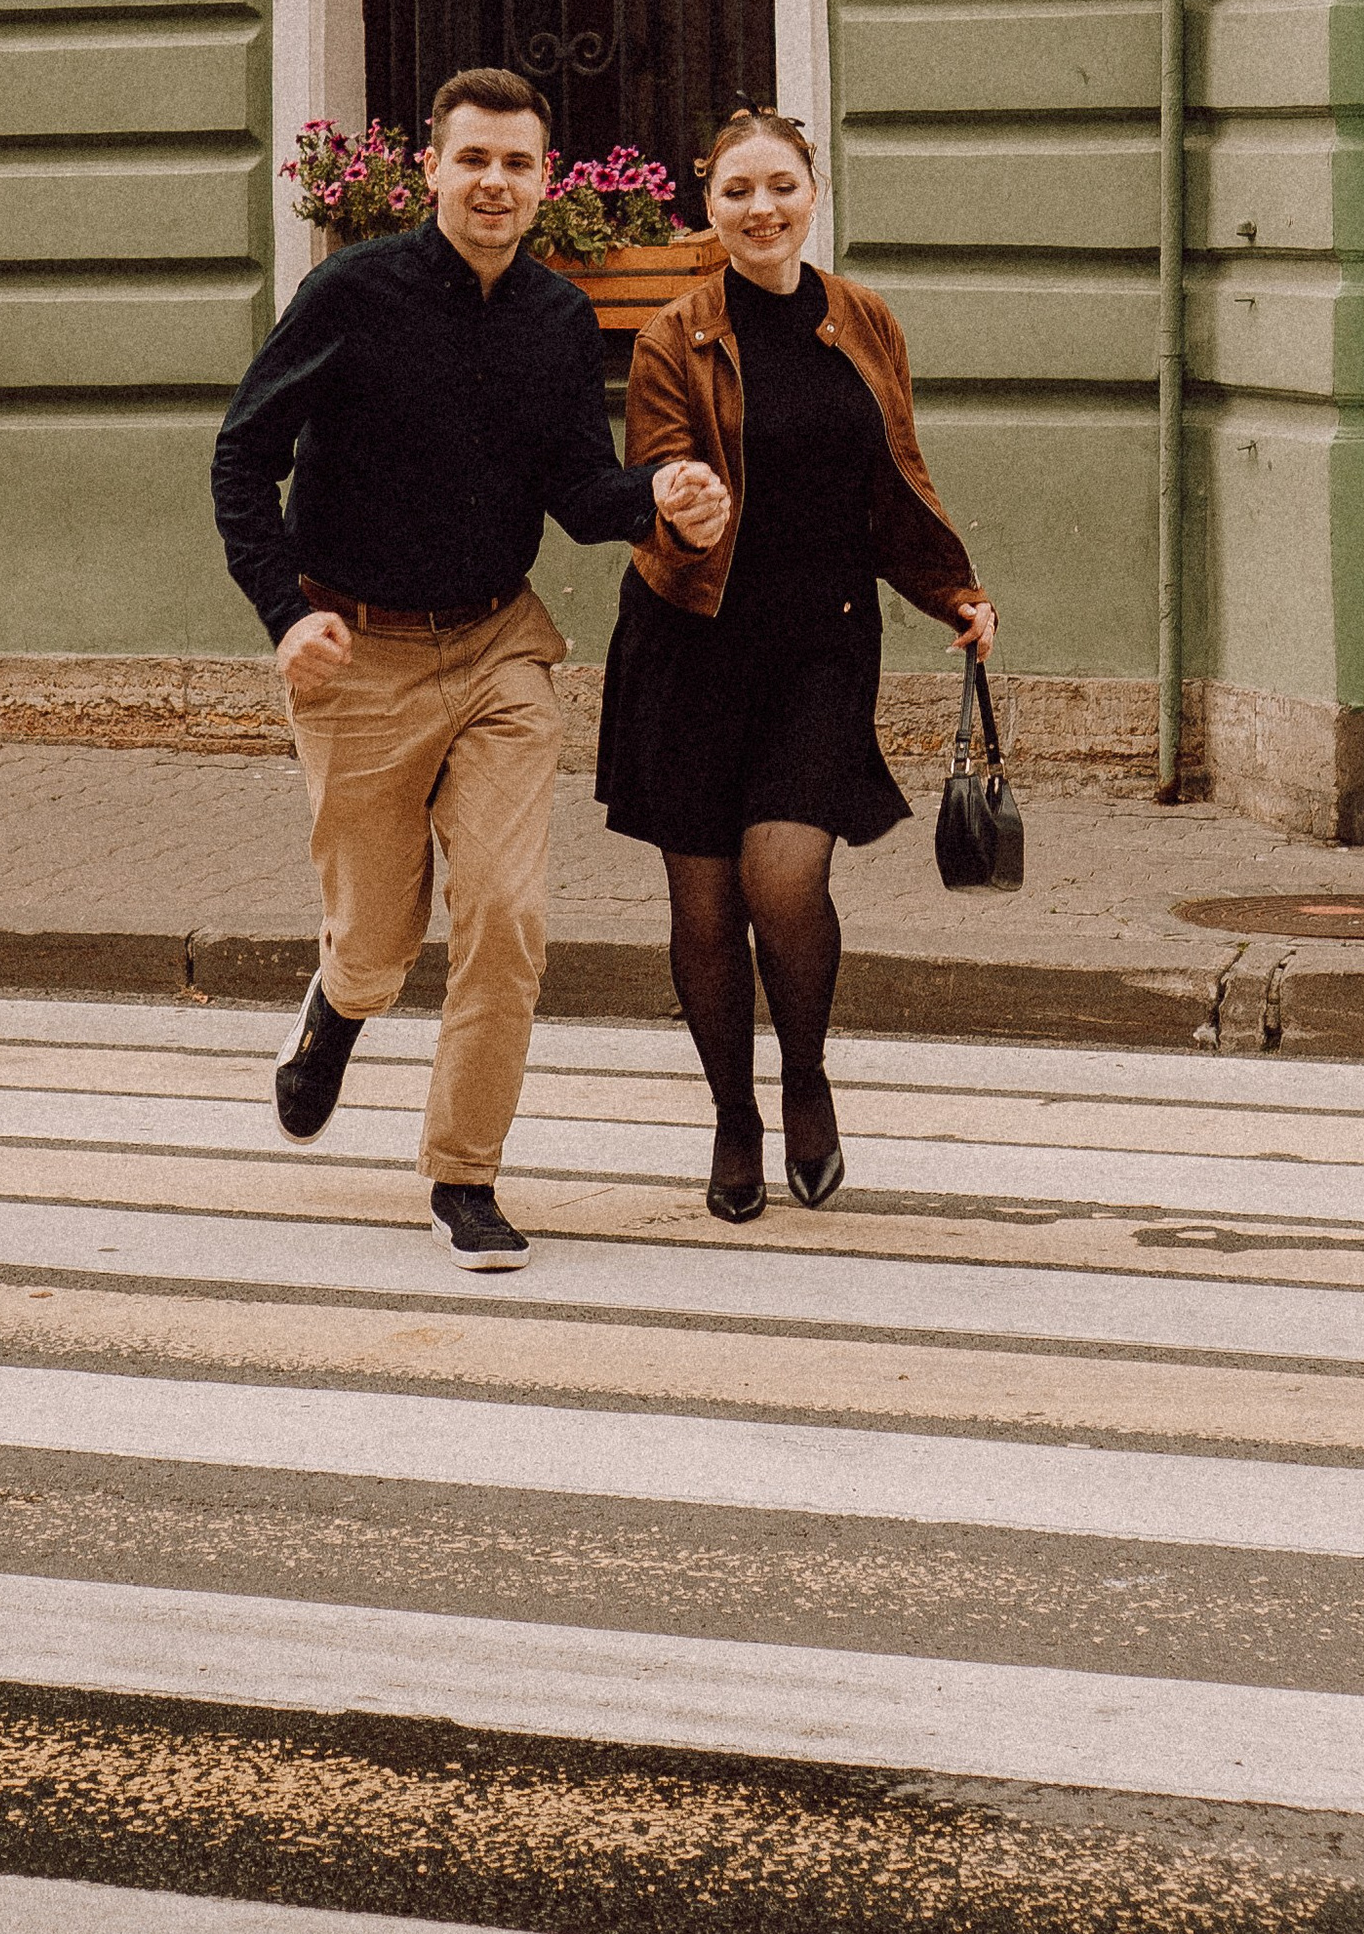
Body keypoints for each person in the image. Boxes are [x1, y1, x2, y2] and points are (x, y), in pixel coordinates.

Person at [211, 67, 729, 1273]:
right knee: (377, 941)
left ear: (544, 182)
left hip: (502, 648)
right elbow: (242, 457)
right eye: (474, 160)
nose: (495, 183)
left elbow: (576, 492)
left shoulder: (557, 318)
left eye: (518, 164)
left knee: (504, 913)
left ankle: (465, 1173)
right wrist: (285, 615)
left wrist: (658, 496)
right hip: (359, 656)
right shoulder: (350, 294)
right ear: (431, 171)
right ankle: (338, 1004)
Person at [596, 106, 996, 1221]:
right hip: (690, 646)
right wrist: (680, 505)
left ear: (813, 194)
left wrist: (950, 590)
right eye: (737, 192)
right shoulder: (673, 338)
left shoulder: (862, 319)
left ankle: (805, 1075)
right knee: (704, 907)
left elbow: (894, 475)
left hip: (822, 643)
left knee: (784, 880)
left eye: (780, 186)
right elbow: (656, 482)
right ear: (707, 209)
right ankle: (734, 1116)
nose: (761, 209)